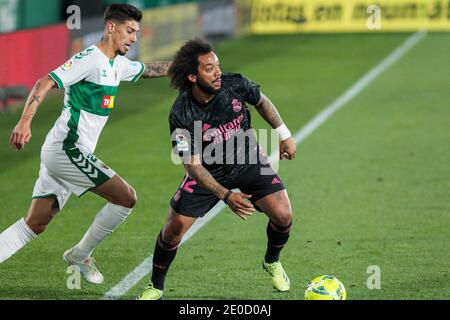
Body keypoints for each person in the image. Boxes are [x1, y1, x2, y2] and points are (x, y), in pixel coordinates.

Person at [0, 3, 171, 285]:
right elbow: (45, 82)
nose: (134, 38)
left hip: (68, 153)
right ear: (111, 27)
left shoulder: (119, 65)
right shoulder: (89, 59)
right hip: (67, 149)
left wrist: (192, 68)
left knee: (35, 224)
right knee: (126, 198)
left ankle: (79, 255)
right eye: (129, 31)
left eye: (136, 32)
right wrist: (24, 122)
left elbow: (153, 69)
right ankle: (80, 255)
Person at [139, 38, 296, 300]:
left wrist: (284, 134)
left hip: (248, 160)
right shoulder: (182, 113)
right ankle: (155, 286)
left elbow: (262, 101)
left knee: (283, 215)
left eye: (217, 65)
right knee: (173, 229)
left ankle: (272, 260)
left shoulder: (234, 84)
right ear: (192, 76)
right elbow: (192, 164)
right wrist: (225, 195)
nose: (217, 72)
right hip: (208, 172)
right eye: (209, 68)